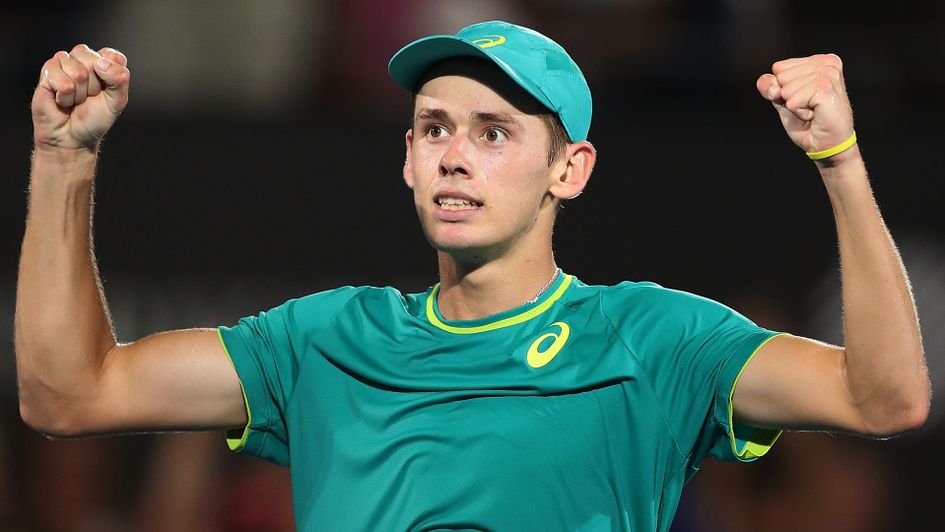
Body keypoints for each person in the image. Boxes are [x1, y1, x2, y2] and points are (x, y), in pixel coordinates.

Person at [15, 20, 929, 531]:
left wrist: (840, 163)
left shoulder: (658, 340)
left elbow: (884, 401)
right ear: (407, 161)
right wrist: (64, 160)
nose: (454, 155)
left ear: (567, 171)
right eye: (433, 128)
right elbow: (68, 395)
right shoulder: (322, 341)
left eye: (493, 133)